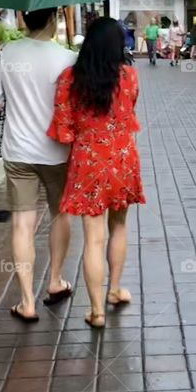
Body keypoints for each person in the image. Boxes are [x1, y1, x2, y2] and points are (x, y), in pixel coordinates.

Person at [0, 7, 76, 323]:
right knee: (60, 214)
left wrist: (12, 99)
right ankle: (55, 281)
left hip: (18, 151)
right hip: (58, 151)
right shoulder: (67, 58)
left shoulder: (5, 52)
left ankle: (26, 302)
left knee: (22, 223)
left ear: (23, 19)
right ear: (53, 19)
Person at [48, 17, 145, 328]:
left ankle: (96, 311)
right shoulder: (129, 76)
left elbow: (63, 132)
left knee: (93, 239)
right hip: (123, 158)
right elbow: (130, 110)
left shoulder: (69, 79)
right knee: (119, 226)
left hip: (88, 160)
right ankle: (114, 290)